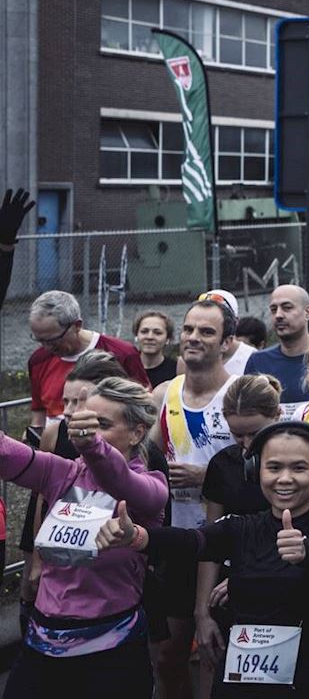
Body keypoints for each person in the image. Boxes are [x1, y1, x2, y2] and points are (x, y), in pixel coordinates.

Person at [99, 420, 309, 696]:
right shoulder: (240, 527)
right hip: (240, 684)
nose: (284, 478)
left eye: (299, 468)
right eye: (273, 467)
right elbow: (191, 541)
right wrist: (138, 537)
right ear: (254, 470)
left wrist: (307, 550)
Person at [0, 378, 166, 697]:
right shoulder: (63, 473)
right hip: (43, 643)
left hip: (111, 647)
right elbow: (9, 455)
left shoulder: (151, 487)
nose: (86, 430)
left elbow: (119, 478)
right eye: (83, 421)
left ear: (137, 432)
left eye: (101, 424)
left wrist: (93, 446)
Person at [150, 298, 240, 695]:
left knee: (213, 656)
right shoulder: (163, 394)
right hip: (175, 542)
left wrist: (208, 477)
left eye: (206, 331)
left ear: (227, 342)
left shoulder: (241, 394)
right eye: (188, 329)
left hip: (225, 545)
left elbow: (266, 475)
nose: (193, 338)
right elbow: (145, 462)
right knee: (167, 656)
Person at [194, 374, 285, 691]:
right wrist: (201, 613)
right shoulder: (224, 465)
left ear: (278, 417)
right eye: (238, 435)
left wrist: (250, 577)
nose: (247, 445)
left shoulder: (301, 465)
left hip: (282, 591)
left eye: (255, 434)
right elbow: (211, 542)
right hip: (227, 595)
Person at [28, 289, 148, 429]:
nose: (47, 347)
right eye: (40, 340)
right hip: (55, 443)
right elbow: (39, 412)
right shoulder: (38, 360)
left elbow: (144, 403)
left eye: (53, 340)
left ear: (77, 326)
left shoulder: (121, 354)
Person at [246, 285, 309, 403]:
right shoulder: (258, 361)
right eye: (273, 310)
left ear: (307, 313)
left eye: (287, 308)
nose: (278, 315)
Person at [133, 310, 178, 387]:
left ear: (167, 339)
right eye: (144, 331)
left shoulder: (175, 371)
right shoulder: (125, 367)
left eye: (157, 333)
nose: (150, 337)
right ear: (137, 335)